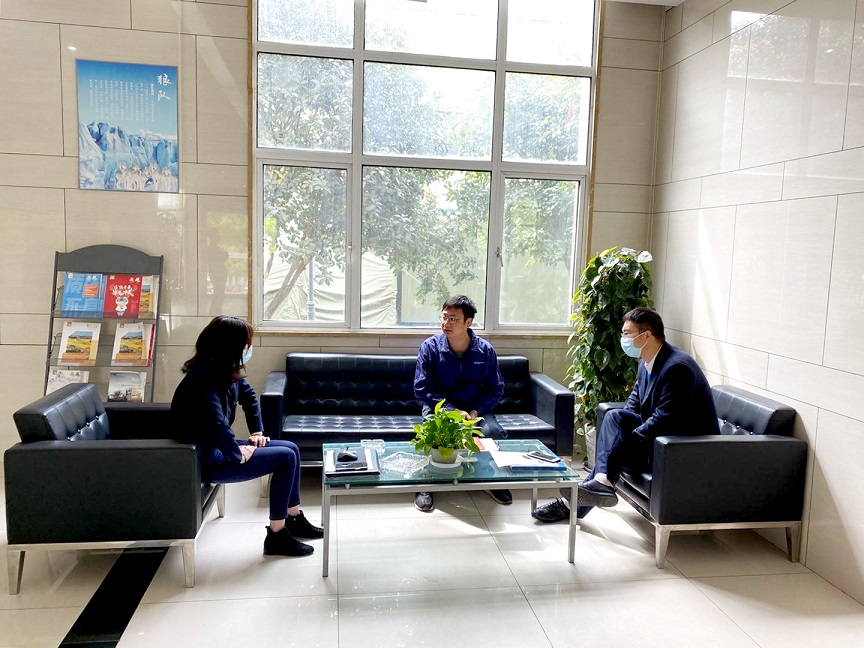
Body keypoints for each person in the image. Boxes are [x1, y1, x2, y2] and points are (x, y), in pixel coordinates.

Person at [532, 307, 719, 523]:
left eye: (627, 333)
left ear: (646, 335)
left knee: (614, 448)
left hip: (680, 450)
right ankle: (599, 484)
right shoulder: (646, 363)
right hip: (659, 440)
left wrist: (629, 439)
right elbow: (633, 405)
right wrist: (621, 437)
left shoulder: (677, 368)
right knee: (614, 418)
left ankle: (572, 504)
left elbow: (665, 418)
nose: (623, 338)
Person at [171, 315, 323, 556]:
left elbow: (249, 397)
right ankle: (276, 535)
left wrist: (257, 432)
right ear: (229, 346)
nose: (248, 349)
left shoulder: (223, 371)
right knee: (286, 458)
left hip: (217, 447)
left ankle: (293, 517)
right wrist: (236, 454)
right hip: (206, 457)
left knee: (292, 448)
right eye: (245, 344)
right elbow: (217, 423)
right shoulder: (203, 379)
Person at [413, 295, 511, 512]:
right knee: (431, 434)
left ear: (468, 322)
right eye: (444, 317)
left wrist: (476, 411)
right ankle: (424, 484)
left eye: (453, 319)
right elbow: (422, 387)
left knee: (493, 431)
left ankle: (494, 481)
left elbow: (495, 388)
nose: (446, 324)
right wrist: (452, 410)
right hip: (440, 409)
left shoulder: (485, 350)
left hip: (475, 410)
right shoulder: (430, 347)